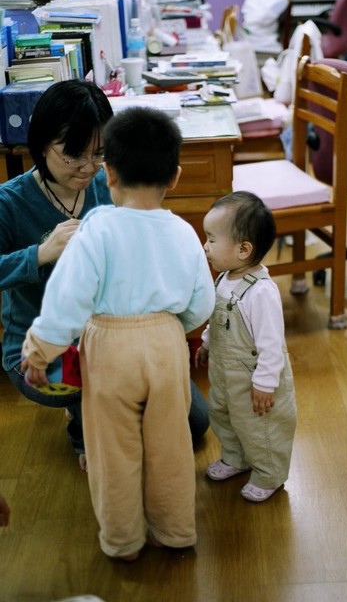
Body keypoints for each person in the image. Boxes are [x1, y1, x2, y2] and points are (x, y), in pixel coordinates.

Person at [21, 107, 216, 560]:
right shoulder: (183, 232)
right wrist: (173, 328)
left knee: (113, 451)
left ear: (108, 174)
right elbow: (202, 302)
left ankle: (123, 540)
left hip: (110, 346)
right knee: (170, 446)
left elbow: (69, 297)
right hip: (166, 345)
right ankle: (174, 531)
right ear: (175, 177)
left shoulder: (97, 229)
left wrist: (40, 349)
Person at [0, 79, 209, 471]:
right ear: (41, 144)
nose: (86, 168)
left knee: (195, 422)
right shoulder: (10, 202)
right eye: (72, 155)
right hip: (44, 346)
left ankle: (111, 409)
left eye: (98, 154)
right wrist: (40, 254)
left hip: (119, 338)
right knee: (107, 410)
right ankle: (84, 423)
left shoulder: (110, 184)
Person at [195, 191, 297, 503]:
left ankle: (269, 473)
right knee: (223, 416)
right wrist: (207, 342)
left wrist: (265, 383)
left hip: (253, 380)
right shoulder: (224, 279)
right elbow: (218, 321)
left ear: (243, 249)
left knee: (258, 427)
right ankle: (235, 457)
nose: (205, 246)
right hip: (224, 373)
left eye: (212, 239)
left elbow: (272, 346)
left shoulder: (261, 292)